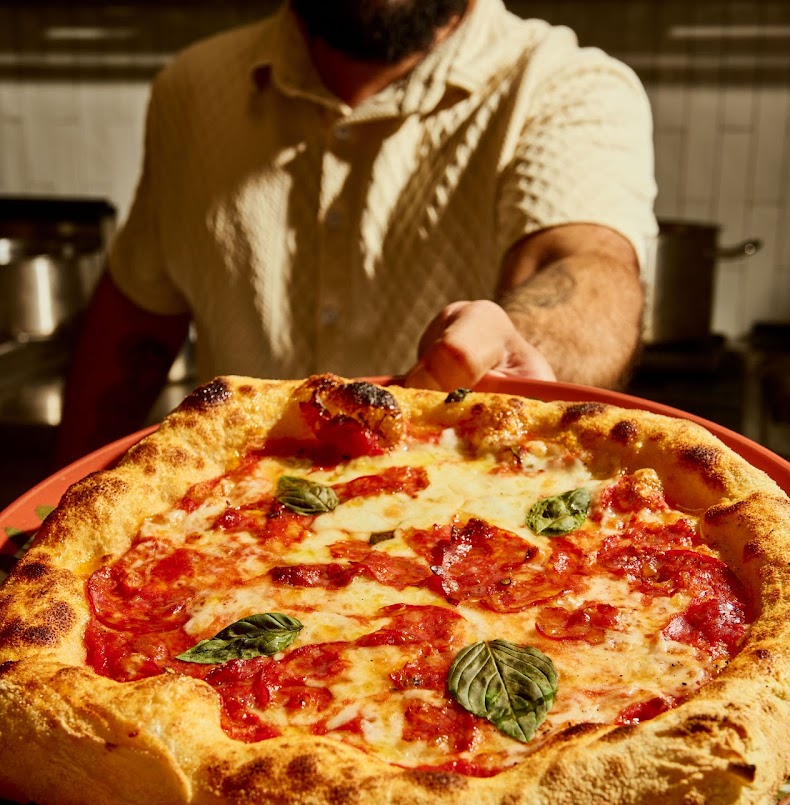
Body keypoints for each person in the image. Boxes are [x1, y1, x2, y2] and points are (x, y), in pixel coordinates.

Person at [55, 0, 657, 466]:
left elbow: (588, 269)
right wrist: (56, 516)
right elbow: (136, 320)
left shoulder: (568, 86)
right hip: (214, 541)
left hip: (469, 533)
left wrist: (520, 341)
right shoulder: (191, 88)